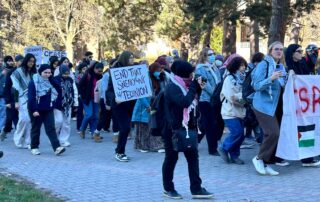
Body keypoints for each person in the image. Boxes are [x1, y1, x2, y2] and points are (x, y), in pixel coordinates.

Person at [162, 60, 213, 199]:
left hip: (189, 127)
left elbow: (198, 93)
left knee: (193, 158)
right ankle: (168, 188)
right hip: (173, 129)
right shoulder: (173, 87)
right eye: (190, 73)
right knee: (171, 158)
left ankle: (196, 188)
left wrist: (200, 84)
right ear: (184, 73)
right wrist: (193, 87)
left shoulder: (188, 84)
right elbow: (185, 102)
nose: (192, 75)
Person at [251, 41, 287, 176]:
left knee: (271, 134)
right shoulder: (263, 64)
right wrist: (271, 79)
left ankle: (264, 162)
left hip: (273, 105)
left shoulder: (279, 65)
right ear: (270, 50)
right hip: (262, 105)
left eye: (281, 50)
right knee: (273, 133)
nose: (279, 51)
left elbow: (281, 85)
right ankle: (259, 158)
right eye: (276, 49)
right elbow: (256, 86)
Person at [285, 44, 320, 167]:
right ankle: (277, 156)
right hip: (291, 105)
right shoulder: (286, 67)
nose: (301, 53)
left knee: (306, 129)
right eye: (299, 51)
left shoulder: (302, 64)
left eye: (302, 51)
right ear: (292, 53)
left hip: (304, 105)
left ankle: (307, 158)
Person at [28, 64, 65, 155]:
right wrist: (34, 110)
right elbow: (31, 97)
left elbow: (59, 89)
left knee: (51, 128)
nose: (47, 74)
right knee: (36, 128)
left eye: (49, 73)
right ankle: (34, 147)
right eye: (45, 72)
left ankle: (57, 148)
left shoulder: (50, 80)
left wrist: (51, 79)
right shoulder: (34, 82)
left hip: (48, 108)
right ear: (40, 72)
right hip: (36, 109)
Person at [106, 51, 136, 162]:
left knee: (126, 128)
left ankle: (120, 151)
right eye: (130, 58)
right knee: (125, 128)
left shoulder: (133, 70)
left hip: (130, 104)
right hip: (119, 105)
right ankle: (119, 152)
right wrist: (115, 98)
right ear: (125, 59)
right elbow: (109, 91)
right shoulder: (115, 72)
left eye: (133, 58)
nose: (132, 60)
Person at [218, 57, 247, 164]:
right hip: (229, 112)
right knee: (237, 132)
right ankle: (224, 147)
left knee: (241, 135)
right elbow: (232, 98)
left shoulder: (242, 78)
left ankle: (234, 155)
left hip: (240, 112)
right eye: (241, 65)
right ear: (235, 66)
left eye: (244, 65)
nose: (243, 68)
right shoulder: (229, 79)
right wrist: (246, 99)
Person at [195, 47, 223, 156]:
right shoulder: (200, 68)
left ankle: (195, 140)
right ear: (204, 56)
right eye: (210, 54)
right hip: (205, 100)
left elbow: (219, 81)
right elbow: (203, 84)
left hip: (215, 99)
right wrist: (214, 93)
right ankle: (212, 149)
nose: (212, 56)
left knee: (204, 124)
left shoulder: (214, 67)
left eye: (213, 54)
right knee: (211, 124)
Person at [132, 62, 165, 153]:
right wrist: (147, 106)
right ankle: (141, 145)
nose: (159, 72)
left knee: (148, 127)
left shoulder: (156, 78)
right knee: (142, 127)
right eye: (158, 70)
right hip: (143, 107)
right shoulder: (145, 78)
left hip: (150, 107)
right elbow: (141, 94)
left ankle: (148, 145)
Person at [11, 53, 36, 148]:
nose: (31, 63)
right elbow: (15, 88)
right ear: (26, 61)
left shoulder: (34, 73)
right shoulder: (18, 72)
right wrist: (16, 101)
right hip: (21, 98)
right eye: (30, 61)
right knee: (24, 120)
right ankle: (17, 138)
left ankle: (27, 142)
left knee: (30, 120)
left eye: (33, 61)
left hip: (31, 98)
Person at [78, 62, 103, 142]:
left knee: (96, 116)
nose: (99, 72)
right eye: (97, 70)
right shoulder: (88, 75)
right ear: (94, 68)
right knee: (89, 114)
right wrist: (83, 95)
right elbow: (80, 85)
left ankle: (93, 133)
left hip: (96, 98)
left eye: (101, 70)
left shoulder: (100, 76)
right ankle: (82, 129)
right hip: (87, 98)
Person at [54, 65, 77, 147]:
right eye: (64, 74)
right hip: (57, 104)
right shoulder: (55, 79)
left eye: (68, 73)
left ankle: (63, 140)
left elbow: (73, 91)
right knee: (58, 121)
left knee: (66, 123)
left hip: (68, 104)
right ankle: (54, 138)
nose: (66, 75)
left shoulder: (70, 79)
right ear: (61, 72)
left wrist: (74, 103)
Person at [1, 55, 21, 140]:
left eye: (11, 61)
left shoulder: (23, 71)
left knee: (16, 116)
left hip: (20, 96)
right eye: (8, 61)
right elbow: (7, 87)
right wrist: (8, 101)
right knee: (9, 117)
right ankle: (5, 130)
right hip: (8, 96)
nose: (10, 62)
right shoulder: (8, 71)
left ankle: (19, 133)